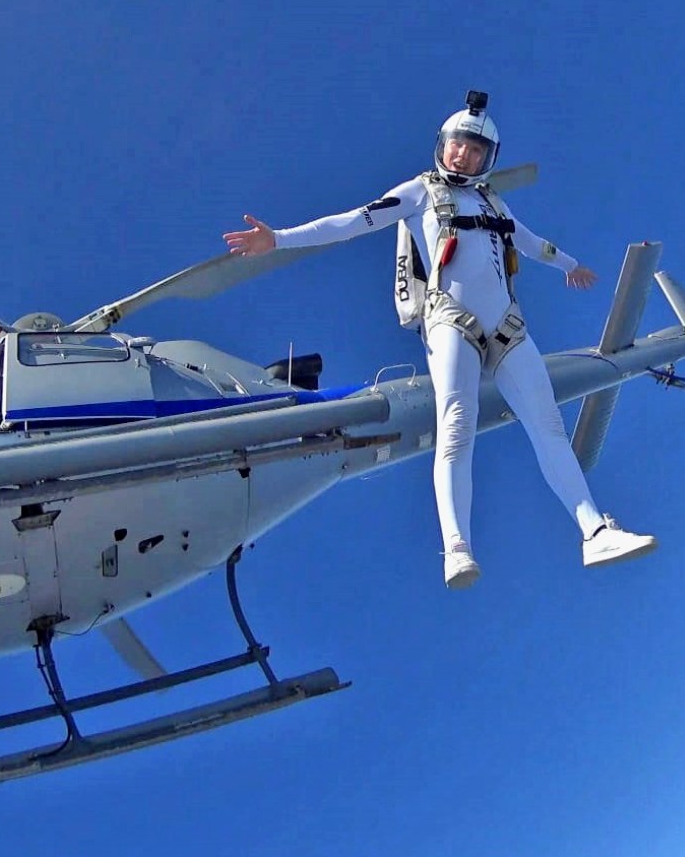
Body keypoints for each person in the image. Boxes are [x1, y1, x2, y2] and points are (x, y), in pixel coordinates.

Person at [223, 90, 657, 589]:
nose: (464, 155)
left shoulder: (495, 201)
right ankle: (457, 547)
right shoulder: (416, 193)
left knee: (548, 426)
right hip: (451, 321)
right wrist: (277, 238)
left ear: (487, 159)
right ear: (443, 145)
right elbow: (348, 223)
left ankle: (595, 530)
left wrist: (570, 266)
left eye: (475, 151)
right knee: (457, 426)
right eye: (458, 145)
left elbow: (533, 241)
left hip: (509, 327)